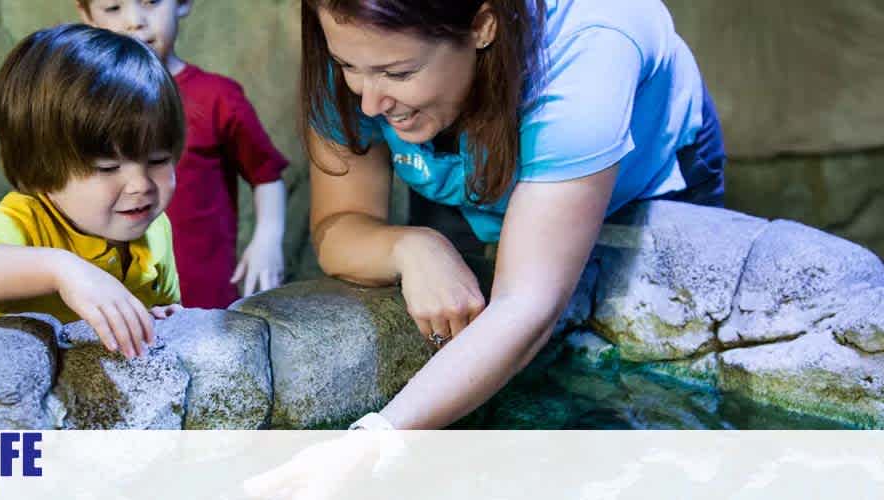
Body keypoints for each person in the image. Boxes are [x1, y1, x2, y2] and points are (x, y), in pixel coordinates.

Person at [304, 0, 725, 431]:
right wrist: (410, 247)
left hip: (643, 173)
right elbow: (341, 221)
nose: (370, 104)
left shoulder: (589, 47)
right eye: (347, 65)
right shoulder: (353, 43)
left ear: (483, 26)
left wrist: (374, 438)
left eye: (397, 73)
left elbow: (526, 305)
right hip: (465, 169)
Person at [0, 24, 185, 360]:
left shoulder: (154, 228)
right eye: (107, 168)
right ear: (42, 170)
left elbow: (167, 305)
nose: (141, 184)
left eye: (158, 160)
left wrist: (169, 317)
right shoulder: (26, 223)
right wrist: (61, 269)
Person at [77, 0, 291, 308]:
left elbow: (267, 175)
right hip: (115, 305)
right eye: (113, 8)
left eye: (151, 2)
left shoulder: (217, 97)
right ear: (86, 15)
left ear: (183, 3)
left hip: (205, 303)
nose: (135, 21)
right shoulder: (81, 105)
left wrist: (267, 239)